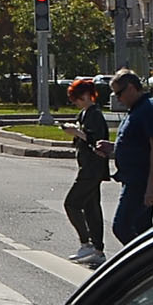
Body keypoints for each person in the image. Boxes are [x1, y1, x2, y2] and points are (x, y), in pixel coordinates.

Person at [107, 68, 153, 245]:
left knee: (122, 227)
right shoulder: (137, 109)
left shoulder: (150, 108)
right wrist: (112, 147)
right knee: (143, 230)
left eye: (119, 93)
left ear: (132, 87)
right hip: (134, 179)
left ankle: (144, 266)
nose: (117, 98)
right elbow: (136, 144)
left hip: (141, 181)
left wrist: (151, 186)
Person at [63, 78, 109, 263]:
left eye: (77, 99)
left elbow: (95, 140)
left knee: (72, 203)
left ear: (85, 96)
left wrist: (77, 132)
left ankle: (87, 243)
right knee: (91, 208)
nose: (76, 103)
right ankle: (97, 250)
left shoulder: (95, 114)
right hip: (88, 167)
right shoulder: (85, 113)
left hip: (92, 168)